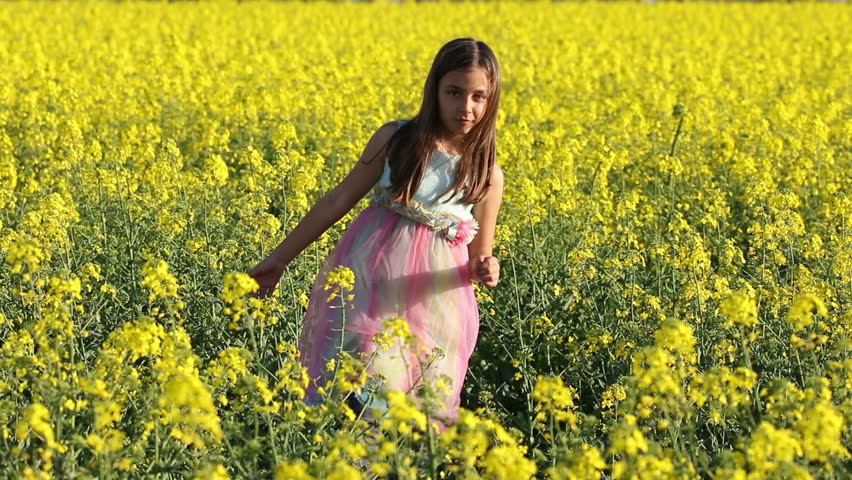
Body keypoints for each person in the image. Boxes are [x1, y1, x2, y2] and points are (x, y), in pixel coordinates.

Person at [249, 37, 503, 425]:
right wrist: (279, 259)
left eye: (477, 97)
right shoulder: (397, 140)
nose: (465, 107)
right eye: (454, 92)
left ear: (491, 100)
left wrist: (488, 268)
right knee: (366, 388)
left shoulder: (487, 173)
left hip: (434, 301)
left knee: (417, 406)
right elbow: (338, 201)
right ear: (434, 89)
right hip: (371, 288)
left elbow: (480, 256)